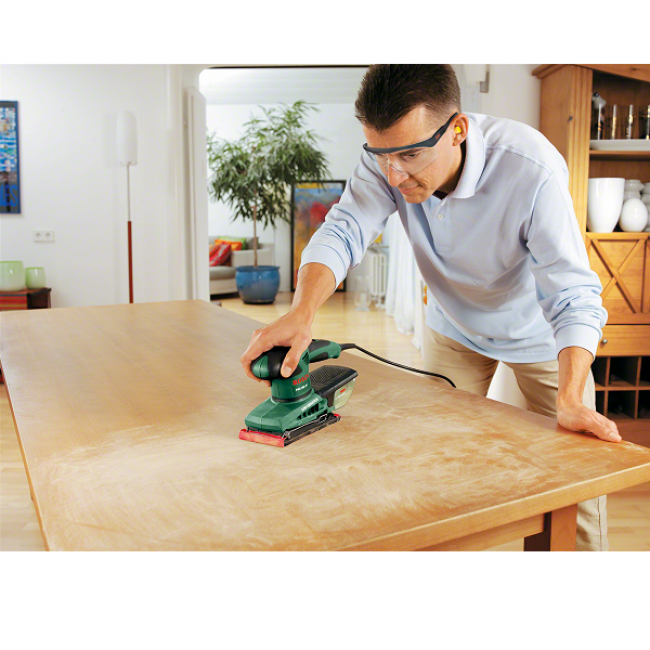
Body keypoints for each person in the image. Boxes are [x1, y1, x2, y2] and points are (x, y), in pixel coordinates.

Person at [241, 64, 619, 551]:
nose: (394, 174)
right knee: (436, 464)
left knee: (577, 478)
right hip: (453, 328)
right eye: (381, 156)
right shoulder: (388, 159)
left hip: (540, 335)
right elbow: (344, 229)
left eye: (410, 155)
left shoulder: (532, 168)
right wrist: (301, 313)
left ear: (457, 130)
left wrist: (570, 397)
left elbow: (573, 294)